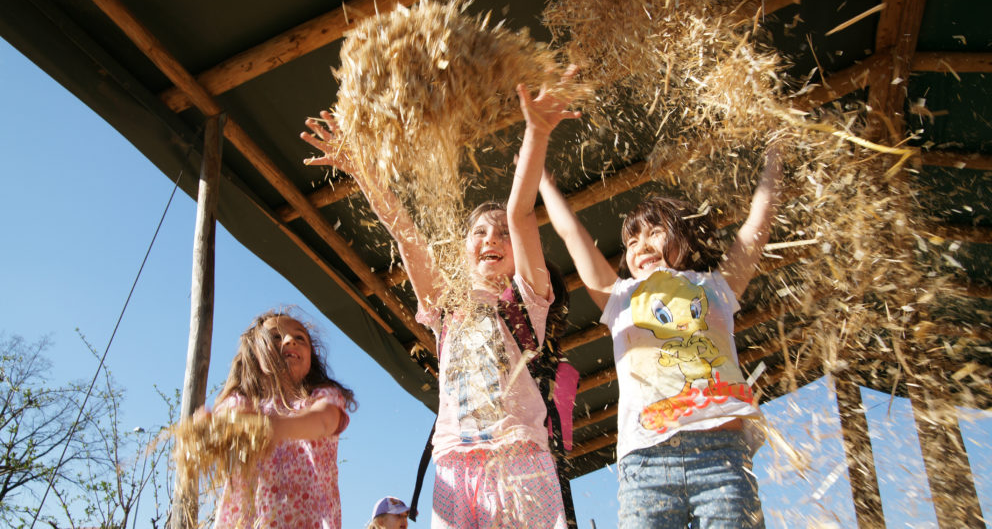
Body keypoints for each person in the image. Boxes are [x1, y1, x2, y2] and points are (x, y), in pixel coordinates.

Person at [301, 67, 580, 529]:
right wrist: (361, 169)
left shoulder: (529, 298)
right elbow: (405, 232)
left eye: (502, 235)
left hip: (519, 457)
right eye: (479, 232)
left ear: (517, 254)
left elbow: (521, 209)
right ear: (464, 250)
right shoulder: (447, 306)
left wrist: (536, 132)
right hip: (452, 462)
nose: (492, 237)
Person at [537, 147, 782, 528]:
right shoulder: (619, 298)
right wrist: (543, 181)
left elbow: (757, 225)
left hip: (721, 455)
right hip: (645, 461)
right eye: (632, 241)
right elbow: (572, 234)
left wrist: (774, 159)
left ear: (685, 236)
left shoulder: (716, 286)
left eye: (654, 232)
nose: (641, 245)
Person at [211, 309, 356, 529]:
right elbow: (227, 426)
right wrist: (215, 429)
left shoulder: (322, 396)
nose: (290, 341)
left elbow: (325, 421)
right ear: (254, 353)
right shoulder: (242, 401)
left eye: (300, 338)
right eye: (276, 337)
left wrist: (274, 427)